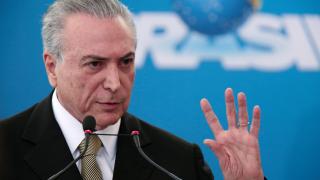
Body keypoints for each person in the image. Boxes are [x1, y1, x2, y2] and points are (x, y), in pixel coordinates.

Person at [0, 0, 264, 179]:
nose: (115, 83)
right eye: (95, 64)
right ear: (52, 67)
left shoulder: (178, 162)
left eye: (126, 62)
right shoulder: (5, 149)